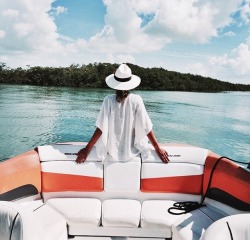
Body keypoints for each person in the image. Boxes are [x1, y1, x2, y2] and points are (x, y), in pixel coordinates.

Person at [76, 63, 169, 164]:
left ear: (115, 83)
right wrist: (158, 148)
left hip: (110, 153)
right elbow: (146, 127)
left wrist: (87, 149)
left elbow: (100, 128)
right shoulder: (136, 100)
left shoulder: (108, 100)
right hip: (132, 153)